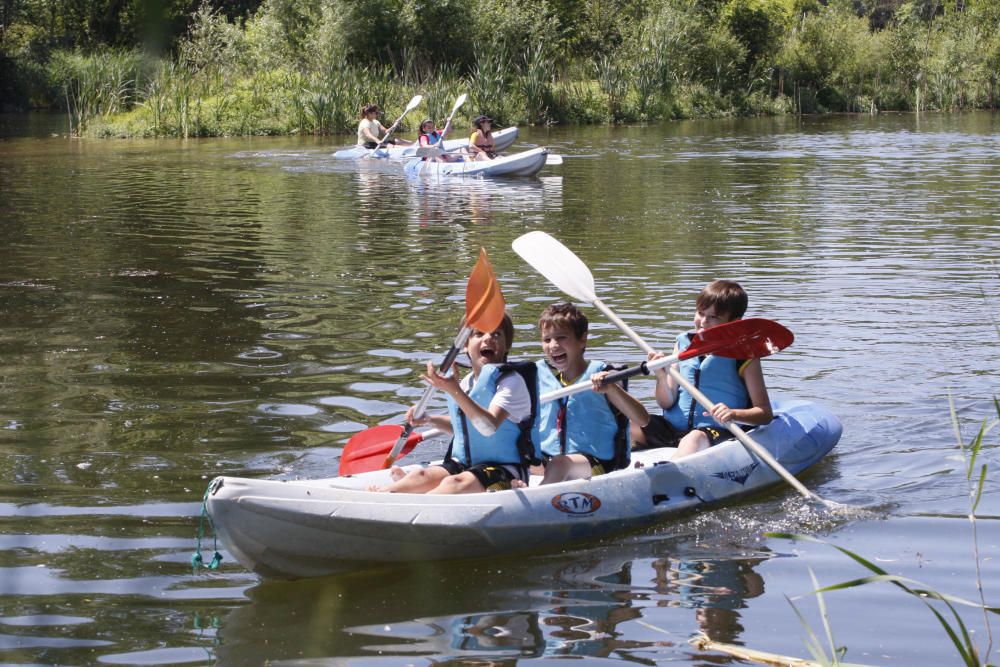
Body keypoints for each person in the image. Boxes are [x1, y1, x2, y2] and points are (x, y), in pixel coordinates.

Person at [371, 313, 540, 494]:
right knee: (419, 476)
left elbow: (488, 427)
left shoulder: (511, 382)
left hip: (506, 471)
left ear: (507, 345)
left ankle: (407, 505)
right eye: (479, 334)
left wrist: (454, 391)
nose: (488, 338)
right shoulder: (467, 382)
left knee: (455, 483)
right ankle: (385, 494)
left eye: (497, 334)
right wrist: (430, 419)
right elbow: (464, 427)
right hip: (465, 465)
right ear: (465, 345)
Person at [632, 280, 773, 459]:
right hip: (673, 429)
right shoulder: (683, 344)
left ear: (734, 322)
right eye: (700, 313)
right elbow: (665, 403)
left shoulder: (745, 355)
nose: (703, 322)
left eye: (714, 317)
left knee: (693, 438)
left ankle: (668, 478)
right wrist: (661, 377)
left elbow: (765, 413)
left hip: (716, 432)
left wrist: (733, 413)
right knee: (628, 424)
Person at [534, 303, 649, 484]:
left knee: (560, 464)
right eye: (547, 340)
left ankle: (536, 508)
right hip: (548, 459)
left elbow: (642, 419)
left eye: (561, 338)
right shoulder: (541, 379)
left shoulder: (606, 376)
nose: (553, 346)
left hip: (596, 462)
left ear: (582, 340)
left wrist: (612, 389)